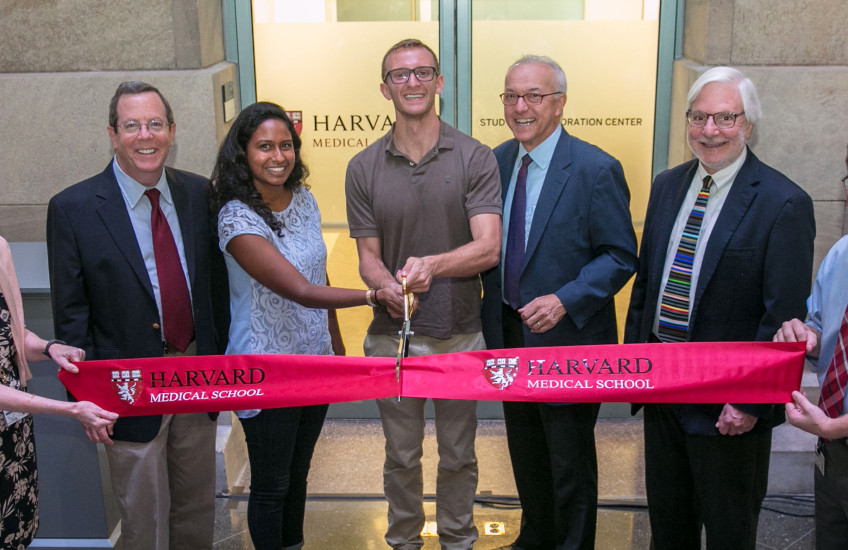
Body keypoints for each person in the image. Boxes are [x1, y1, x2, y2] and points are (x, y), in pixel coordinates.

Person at [624, 66, 816, 549]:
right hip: (663, 388)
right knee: (669, 528)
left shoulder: (784, 202)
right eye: (699, 117)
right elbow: (647, 286)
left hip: (729, 405)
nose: (710, 131)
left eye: (725, 118)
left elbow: (783, 318)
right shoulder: (668, 186)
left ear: (748, 124)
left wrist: (751, 401)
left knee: (730, 532)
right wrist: (636, 369)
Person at [209, 101, 398, 550]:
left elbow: (320, 274)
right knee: (271, 484)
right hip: (265, 367)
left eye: (286, 146)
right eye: (264, 147)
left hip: (314, 360)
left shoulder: (306, 199)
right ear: (243, 153)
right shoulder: (236, 218)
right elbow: (298, 289)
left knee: (298, 474)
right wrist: (373, 295)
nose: (278, 156)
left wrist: (336, 350)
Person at [47, 81, 227, 549]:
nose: (144, 135)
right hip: (126, 386)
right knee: (141, 516)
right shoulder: (73, 209)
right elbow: (71, 316)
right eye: (132, 126)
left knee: (196, 507)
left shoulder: (197, 194)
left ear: (171, 130)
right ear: (112, 133)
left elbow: (214, 288)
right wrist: (83, 395)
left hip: (194, 372)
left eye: (154, 124)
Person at [345, 38, 502, 550]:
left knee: (458, 453)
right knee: (401, 456)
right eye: (400, 74)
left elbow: (488, 248)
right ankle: (403, 541)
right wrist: (385, 286)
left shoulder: (476, 156)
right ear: (384, 87)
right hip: (393, 339)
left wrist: (434, 264)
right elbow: (368, 255)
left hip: (460, 333)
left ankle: (458, 539)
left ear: (439, 82)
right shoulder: (363, 167)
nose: (411, 82)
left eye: (422, 72)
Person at [480, 55, 638, 550]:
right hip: (509, 332)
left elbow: (620, 255)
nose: (520, 107)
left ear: (561, 103)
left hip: (568, 340)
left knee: (569, 460)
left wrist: (566, 300)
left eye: (533, 96)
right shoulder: (497, 161)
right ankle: (535, 537)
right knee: (525, 451)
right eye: (510, 96)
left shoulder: (595, 168)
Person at [0, 235, 117, 548]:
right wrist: (72, 410)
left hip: (12, 431)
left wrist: (50, 347)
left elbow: (10, 333)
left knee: (16, 524)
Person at [774, 146, 848, 550]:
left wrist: (835, 427)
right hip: (832, 455)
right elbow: (823, 329)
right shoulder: (841, 255)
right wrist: (808, 336)